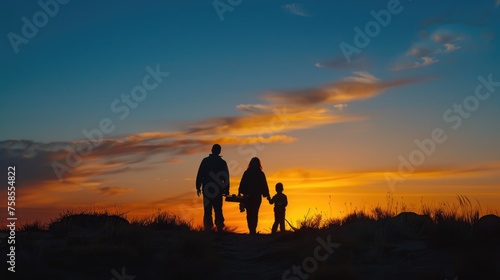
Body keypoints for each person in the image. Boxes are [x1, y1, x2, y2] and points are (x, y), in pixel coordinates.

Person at [196, 144, 230, 232]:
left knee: (209, 209)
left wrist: (198, 186)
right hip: (216, 189)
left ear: (212, 150)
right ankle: (218, 227)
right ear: (219, 151)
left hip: (209, 189)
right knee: (217, 209)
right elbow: (226, 177)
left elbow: (200, 174)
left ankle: (210, 228)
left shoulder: (206, 161)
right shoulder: (222, 162)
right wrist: (226, 189)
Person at [238, 157, 270, 234]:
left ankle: (251, 229)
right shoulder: (260, 174)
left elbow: (242, 183)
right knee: (255, 213)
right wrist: (267, 195)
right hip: (256, 197)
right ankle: (253, 230)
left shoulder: (247, 173)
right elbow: (264, 185)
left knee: (249, 213)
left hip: (248, 196)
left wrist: (240, 192)